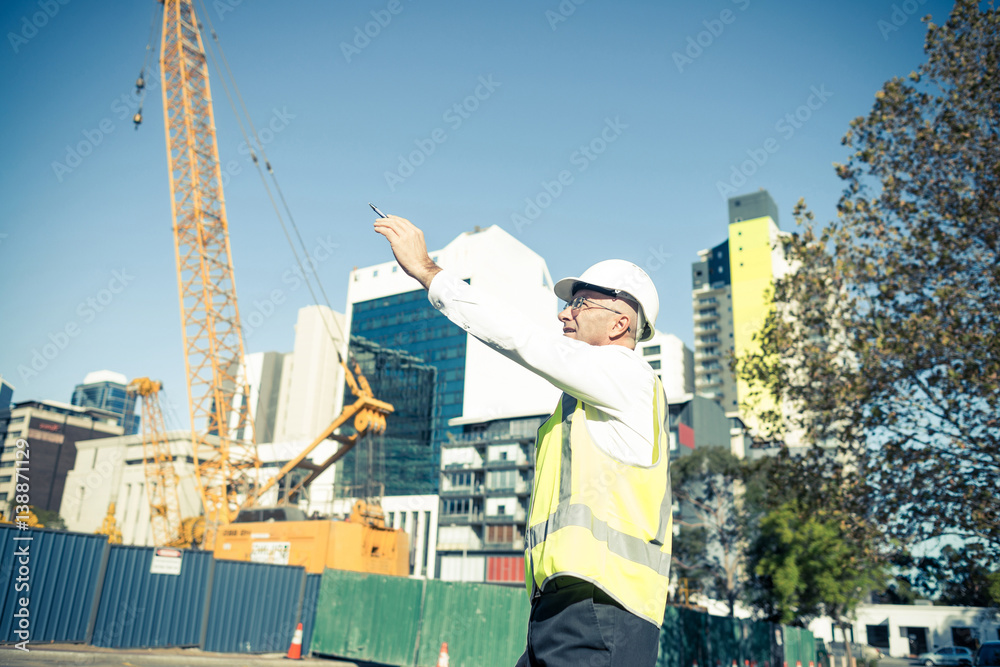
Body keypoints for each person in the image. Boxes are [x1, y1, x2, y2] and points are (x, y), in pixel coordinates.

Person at [375, 215, 671, 667]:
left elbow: (525, 339)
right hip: (566, 609)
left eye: (580, 303)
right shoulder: (585, 400)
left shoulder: (628, 375)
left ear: (619, 324)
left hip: (602, 610)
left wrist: (429, 271)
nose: (563, 313)